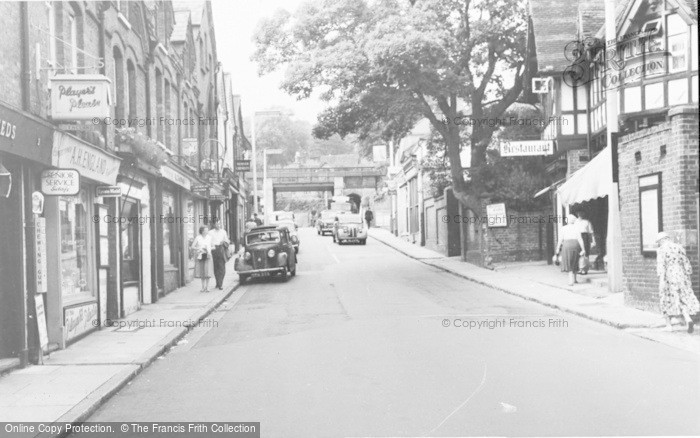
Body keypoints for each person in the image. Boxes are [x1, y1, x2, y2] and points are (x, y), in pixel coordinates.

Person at [656, 232, 699, 333]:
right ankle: (688, 319)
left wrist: (661, 281)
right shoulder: (679, 247)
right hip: (681, 275)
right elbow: (686, 263)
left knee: (665, 298)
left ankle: (668, 325)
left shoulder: (661, 250)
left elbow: (661, 266)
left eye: (659, 242)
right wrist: (688, 278)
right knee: (681, 297)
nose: (659, 244)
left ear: (662, 240)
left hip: (668, 276)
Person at [555, 214, 587, 286]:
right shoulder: (577, 228)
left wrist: (557, 248)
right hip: (576, 244)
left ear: (567, 221)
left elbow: (560, 240)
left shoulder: (563, 228)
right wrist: (583, 249)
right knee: (575, 260)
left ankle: (570, 281)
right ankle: (575, 279)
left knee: (568, 262)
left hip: (567, 245)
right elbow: (580, 239)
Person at [208, 217, 230, 290]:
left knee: (222, 267)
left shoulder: (223, 232)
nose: (218, 225)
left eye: (219, 223)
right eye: (217, 223)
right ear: (214, 224)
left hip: (221, 249)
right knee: (216, 267)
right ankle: (218, 282)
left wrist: (224, 242)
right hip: (214, 250)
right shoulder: (210, 232)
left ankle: (220, 284)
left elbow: (227, 240)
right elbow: (209, 242)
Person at [190, 225, 213, 292]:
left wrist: (207, 249)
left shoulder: (209, 237)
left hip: (208, 255)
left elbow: (213, 246)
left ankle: (207, 287)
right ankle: (203, 287)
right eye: (206, 230)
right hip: (200, 255)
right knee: (202, 271)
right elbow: (192, 247)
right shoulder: (198, 237)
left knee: (207, 271)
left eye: (207, 230)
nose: (207, 231)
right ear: (202, 231)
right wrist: (199, 249)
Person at [576, 211, 596, 275]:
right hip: (577, 236)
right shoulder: (575, 222)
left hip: (585, 236)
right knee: (579, 252)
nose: (580, 214)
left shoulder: (587, 222)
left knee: (586, 252)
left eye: (581, 213)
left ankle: (585, 269)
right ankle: (580, 268)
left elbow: (591, 232)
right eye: (579, 213)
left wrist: (593, 241)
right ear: (577, 214)